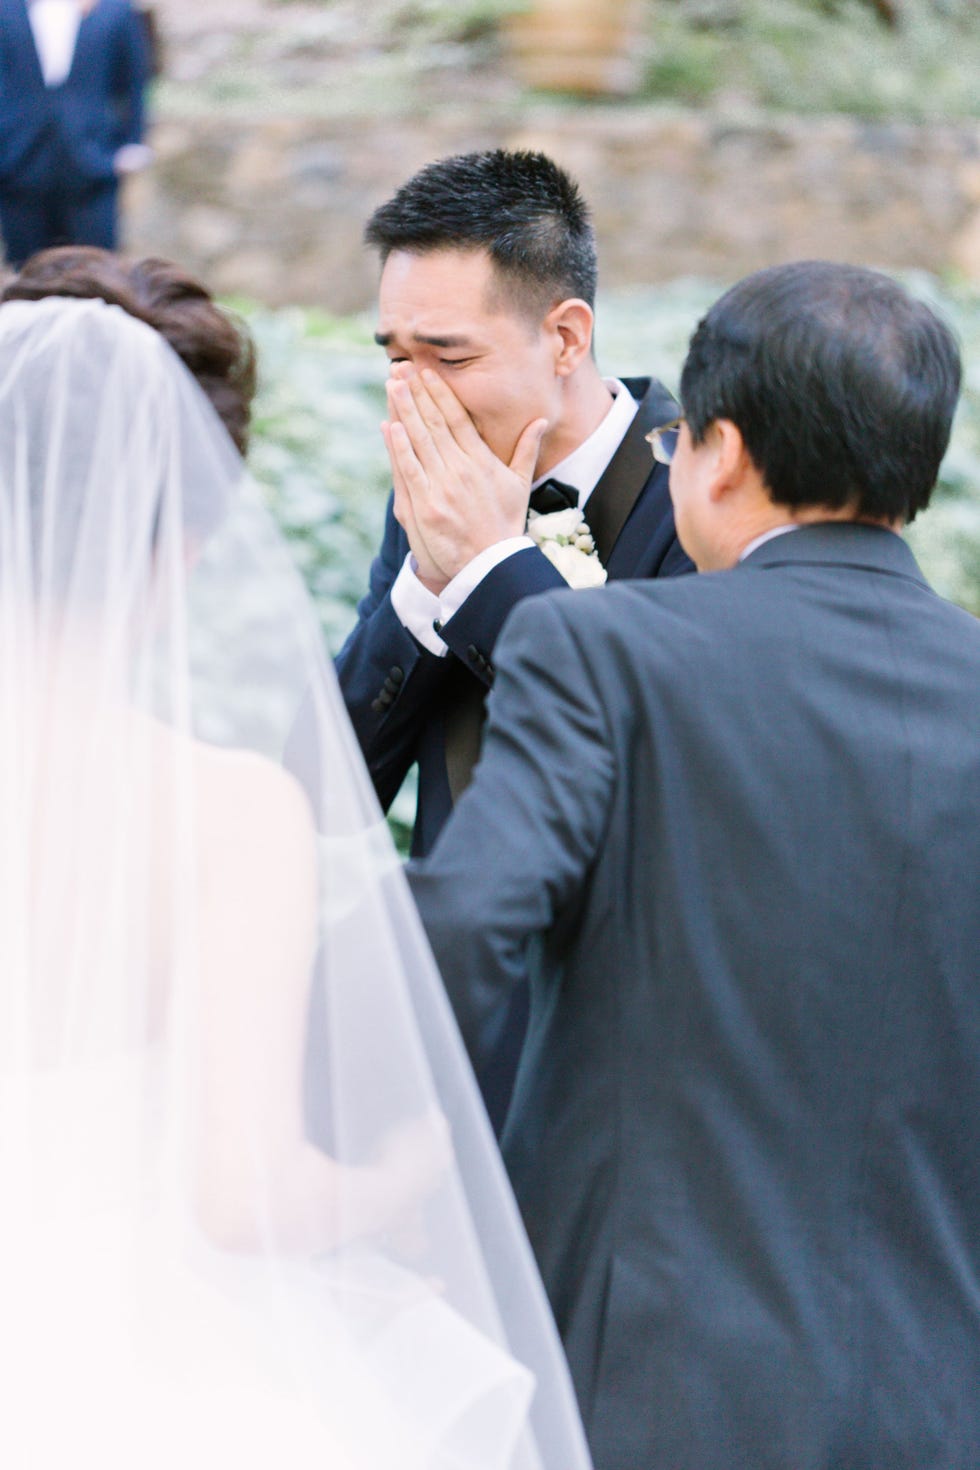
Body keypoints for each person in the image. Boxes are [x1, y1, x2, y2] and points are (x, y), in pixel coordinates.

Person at [0, 248, 594, 1470]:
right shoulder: (222, 812)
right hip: (121, 1366)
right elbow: (241, 1193)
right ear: (191, 547)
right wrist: (406, 1169)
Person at [409, 261, 980, 1470]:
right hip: (939, 1400)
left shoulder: (600, 650)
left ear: (717, 452)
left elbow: (462, 930)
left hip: (645, 1384)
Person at [325, 148, 692, 1128]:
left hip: (635, 1065)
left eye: (446, 357)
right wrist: (421, 583)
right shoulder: (430, 496)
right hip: (449, 1058)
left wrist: (491, 568)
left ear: (564, 337)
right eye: (393, 357)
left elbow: (661, 770)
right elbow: (335, 780)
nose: (414, 396)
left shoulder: (703, 494)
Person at [0, 0, 151, 269]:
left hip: (93, 161)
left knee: (97, 270)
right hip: (18, 162)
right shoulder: (7, 8)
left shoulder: (114, 9)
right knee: (25, 271)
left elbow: (134, 80)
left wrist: (132, 144)